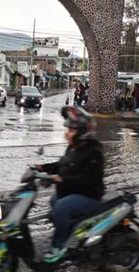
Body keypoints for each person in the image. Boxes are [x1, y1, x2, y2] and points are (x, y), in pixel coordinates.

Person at [36, 105, 105, 263]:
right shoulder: (74, 149)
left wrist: (61, 179)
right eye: (68, 130)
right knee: (54, 201)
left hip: (89, 196)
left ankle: (59, 246)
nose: (67, 134)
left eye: (72, 131)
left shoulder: (94, 152)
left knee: (62, 207)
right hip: (74, 191)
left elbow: (87, 180)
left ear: (82, 133)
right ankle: (67, 232)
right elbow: (62, 164)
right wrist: (41, 167)